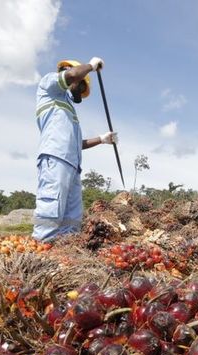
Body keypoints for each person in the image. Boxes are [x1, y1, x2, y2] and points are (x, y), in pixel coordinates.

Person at [33, 57, 118, 241]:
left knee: (72, 218)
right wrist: (91, 66)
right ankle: (41, 247)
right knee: (51, 209)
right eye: (80, 87)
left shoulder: (69, 110)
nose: (80, 92)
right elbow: (71, 75)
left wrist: (102, 139)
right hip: (55, 158)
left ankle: (65, 249)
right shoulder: (49, 87)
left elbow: (77, 144)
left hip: (73, 165)